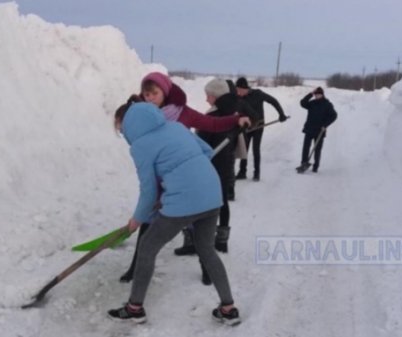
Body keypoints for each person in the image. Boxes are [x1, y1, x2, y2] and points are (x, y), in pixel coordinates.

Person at [108, 101, 241, 326]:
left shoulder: (140, 146)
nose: (123, 134)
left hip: (184, 200)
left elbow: (148, 189)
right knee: (206, 249)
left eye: (121, 129)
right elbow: (207, 151)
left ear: (129, 124)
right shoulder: (175, 127)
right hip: (212, 194)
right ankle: (228, 309)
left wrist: (136, 220)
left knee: (147, 247)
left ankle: (134, 308)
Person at [120, 72, 252, 282]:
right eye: (146, 94)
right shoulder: (143, 117)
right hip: (160, 181)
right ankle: (135, 269)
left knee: (197, 225)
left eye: (154, 93)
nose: (150, 98)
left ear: (165, 92)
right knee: (147, 224)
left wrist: (237, 119)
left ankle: (207, 269)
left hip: (183, 184)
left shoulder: (183, 113)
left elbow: (211, 123)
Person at [197, 79, 240, 256]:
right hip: (226, 163)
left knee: (204, 203)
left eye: (209, 95)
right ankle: (222, 242)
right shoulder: (233, 112)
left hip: (211, 165)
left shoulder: (214, 117)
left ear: (216, 96)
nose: (206, 99)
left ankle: (197, 240)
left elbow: (202, 143)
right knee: (222, 200)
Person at [235, 77, 288, 181]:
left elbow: (273, 101)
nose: (239, 93)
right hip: (246, 126)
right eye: (237, 90)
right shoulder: (239, 98)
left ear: (245, 88)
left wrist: (281, 114)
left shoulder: (258, 94)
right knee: (244, 149)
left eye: (240, 90)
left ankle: (256, 173)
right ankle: (242, 172)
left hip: (259, 125)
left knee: (255, 149)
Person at [296, 87, 338, 173]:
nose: (317, 96)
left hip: (320, 131)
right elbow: (302, 103)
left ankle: (316, 166)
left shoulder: (327, 104)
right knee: (305, 148)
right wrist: (310, 94)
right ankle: (304, 163)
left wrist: (325, 125)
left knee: (317, 149)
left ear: (322, 94)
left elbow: (334, 116)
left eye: (319, 94)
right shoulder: (312, 103)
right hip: (309, 129)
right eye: (316, 94)